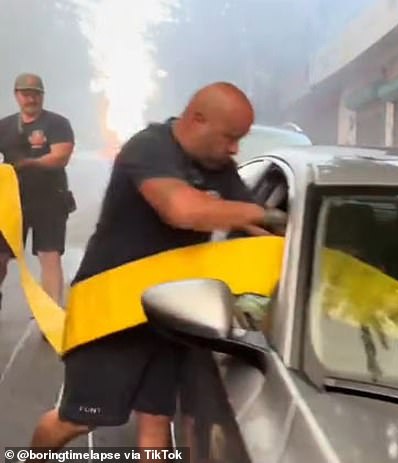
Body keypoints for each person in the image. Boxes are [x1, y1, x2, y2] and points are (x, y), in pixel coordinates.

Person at [27, 82, 285, 457]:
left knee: (156, 419)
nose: (234, 150)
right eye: (230, 138)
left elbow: (259, 232)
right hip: (113, 309)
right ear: (197, 119)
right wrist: (257, 212)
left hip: (170, 309)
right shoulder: (149, 147)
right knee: (77, 419)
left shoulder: (220, 169)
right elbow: (182, 211)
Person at [0, 73, 75, 310]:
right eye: (25, 94)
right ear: (16, 96)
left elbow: (61, 156)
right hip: (11, 201)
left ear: (42, 96)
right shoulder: (4, 126)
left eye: (35, 94)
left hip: (50, 199)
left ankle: (51, 312)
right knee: (0, 256)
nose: (30, 99)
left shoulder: (57, 123)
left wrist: (31, 163)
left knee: (49, 256)